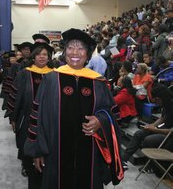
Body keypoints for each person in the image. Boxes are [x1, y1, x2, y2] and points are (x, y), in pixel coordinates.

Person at [24, 28, 124, 189]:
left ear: (87, 54)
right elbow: (38, 117)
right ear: (64, 52)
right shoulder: (51, 79)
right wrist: (37, 150)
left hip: (90, 155)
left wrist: (101, 120)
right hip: (55, 154)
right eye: (70, 47)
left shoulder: (98, 82)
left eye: (80, 48)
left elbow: (113, 114)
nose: (75, 52)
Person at [6, 44, 54, 189]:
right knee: (27, 149)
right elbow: (15, 96)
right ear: (33, 56)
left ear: (49, 57)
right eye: (39, 54)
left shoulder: (55, 75)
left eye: (45, 54)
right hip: (27, 119)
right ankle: (28, 169)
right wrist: (13, 118)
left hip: (49, 122)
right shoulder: (24, 74)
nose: (42, 57)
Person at [122, 84, 173, 170]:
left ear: (163, 97)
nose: (155, 102)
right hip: (164, 130)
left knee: (149, 140)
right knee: (139, 133)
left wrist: (155, 130)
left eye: (157, 99)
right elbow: (162, 118)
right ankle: (123, 160)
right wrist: (152, 126)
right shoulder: (166, 105)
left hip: (170, 135)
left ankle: (151, 166)